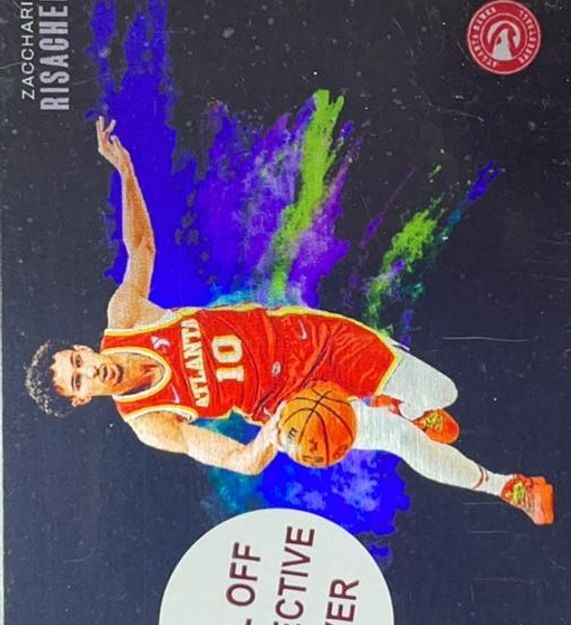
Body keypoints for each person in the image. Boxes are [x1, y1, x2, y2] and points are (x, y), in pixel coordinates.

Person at [26, 118, 554, 525]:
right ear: (82, 398)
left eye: (78, 362)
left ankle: (410, 406)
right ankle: (510, 487)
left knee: (443, 394)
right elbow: (240, 459)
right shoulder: (149, 422)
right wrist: (274, 434)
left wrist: (125, 171)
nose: (89, 372)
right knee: (399, 439)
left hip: (307, 337)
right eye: (78, 381)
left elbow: (140, 246)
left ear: (83, 350)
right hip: (289, 404)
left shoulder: (126, 318)